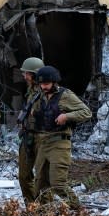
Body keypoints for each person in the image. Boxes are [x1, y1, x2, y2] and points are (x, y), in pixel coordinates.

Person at [29, 65, 91, 208]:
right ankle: (44, 214)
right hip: (43, 142)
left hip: (59, 143)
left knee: (58, 183)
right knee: (40, 183)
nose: (43, 87)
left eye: (46, 84)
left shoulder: (65, 95)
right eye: (41, 84)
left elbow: (86, 112)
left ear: (54, 82)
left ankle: (78, 211)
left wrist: (67, 116)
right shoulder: (40, 96)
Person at [16, 57, 44, 203]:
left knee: (42, 178)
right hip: (28, 136)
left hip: (42, 137)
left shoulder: (48, 90)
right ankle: (32, 207)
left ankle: (45, 209)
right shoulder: (31, 90)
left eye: (27, 73)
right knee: (24, 176)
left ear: (35, 74)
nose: (24, 76)